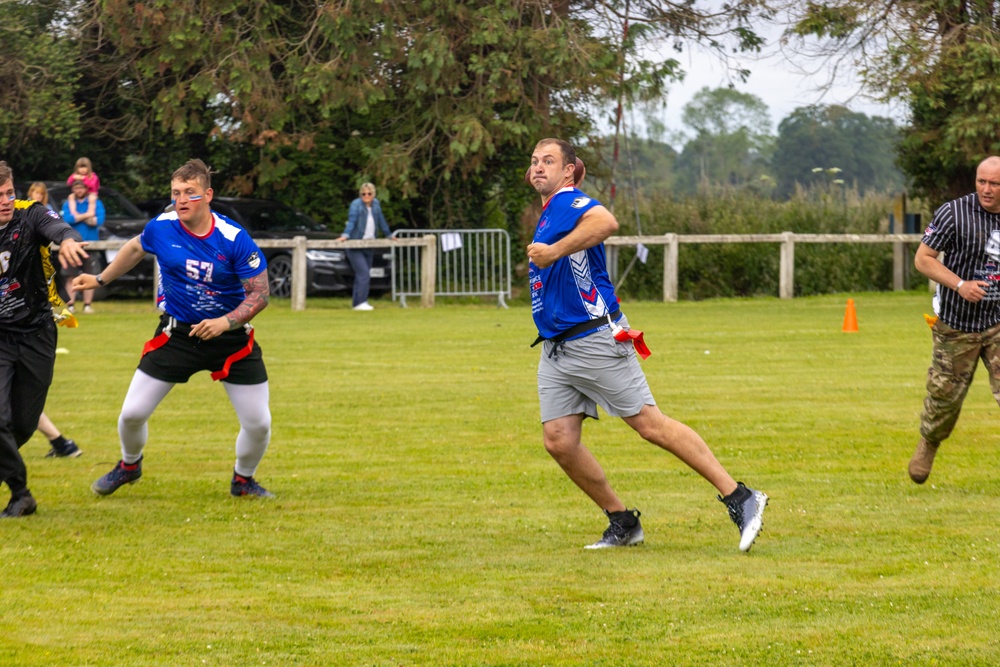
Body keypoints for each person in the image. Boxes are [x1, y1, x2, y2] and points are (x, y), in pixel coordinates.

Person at [525, 138, 768, 551]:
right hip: (557, 348)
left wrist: (553, 253)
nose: (538, 167)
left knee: (650, 425)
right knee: (559, 441)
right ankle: (622, 522)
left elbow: (607, 223)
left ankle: (741, 497)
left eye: (549, 161)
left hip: (594, 338)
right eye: (534, 161)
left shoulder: (569, 201)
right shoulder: (550, 211)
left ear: (569, 170)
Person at [74, 159, 274, 498]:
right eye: (176, 193)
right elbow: (136, 247)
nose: (181, 200)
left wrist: (225, 323)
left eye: (190, 193)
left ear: (208, 195)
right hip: (176, 335)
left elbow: (260, 293)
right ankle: (129, 465)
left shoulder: (233, 238)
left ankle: (243, 481)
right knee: (132, 415)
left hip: (231, 340)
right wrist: (100, 278)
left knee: (259, 423)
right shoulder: (162, 226)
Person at [0, 160, 89, 518]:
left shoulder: (30, 214)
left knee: (21, 424)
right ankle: (21, 493)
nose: (6, 201)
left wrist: (68, 240)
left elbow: (61, 228)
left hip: (37, 332)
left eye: (8, 192)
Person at [909, 155, 1000, 484]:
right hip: (957, 322)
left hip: (998, 321)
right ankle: (929, 442)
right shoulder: (954, 213)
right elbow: (923, 259)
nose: (986, 189)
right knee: (945, 397)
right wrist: (960, 285)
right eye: (981, 182)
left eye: (994, 184)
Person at [336, 182, 391, 311]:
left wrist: (389, 234)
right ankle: (361, 302)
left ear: (373, 194)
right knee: (364, 273)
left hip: (369, 244)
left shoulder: (376, 204)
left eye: (369, 193)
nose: (366, 196)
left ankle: (358, 303)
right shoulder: (356, 205)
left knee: (363, 274)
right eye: (363, 194)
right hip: (355, 244)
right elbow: (352, 220)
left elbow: (381, 220)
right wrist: (345, 235)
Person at [61, 179, 105, 314]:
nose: (79, 191)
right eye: (76, 188)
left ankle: (87, 305)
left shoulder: (95, 202)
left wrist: (78, 217)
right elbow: (67, 219)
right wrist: (87, 216)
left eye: (81, 188)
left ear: (86, 189)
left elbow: (99, 220)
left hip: (90, 244)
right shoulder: (68, 203)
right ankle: (70, 305)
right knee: (70, 276)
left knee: (90, 275)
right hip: (72, 244)